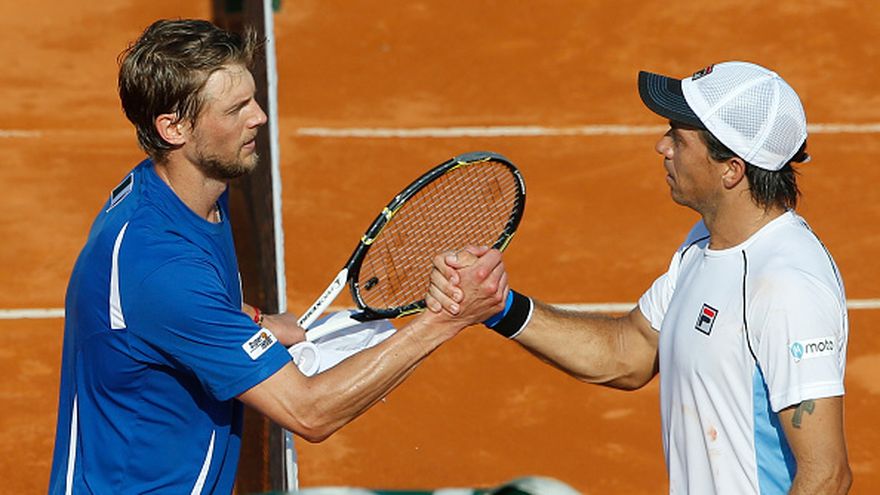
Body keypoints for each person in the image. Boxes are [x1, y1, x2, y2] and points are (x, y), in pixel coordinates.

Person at [48, 19, 507, 494]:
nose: (260, 117)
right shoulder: (163, 269)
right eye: (236, 109)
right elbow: (308, 412)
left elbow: (172, 312)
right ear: (173, 128)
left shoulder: (179, 193)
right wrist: (443, 321)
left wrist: (257, 320)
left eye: (252, 99)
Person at [428, 61, 851, 494]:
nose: (662, 146)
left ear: (732, 169)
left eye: (678, 137)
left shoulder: (786, 286)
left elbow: (826, 476)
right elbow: (628, 352)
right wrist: (499, 306)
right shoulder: (704, 243)